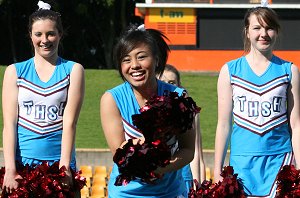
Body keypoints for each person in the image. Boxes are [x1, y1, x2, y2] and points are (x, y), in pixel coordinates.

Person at [100, 24, 195, 197]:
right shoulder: (111, 99)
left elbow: (188, 150)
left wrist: (163, 168)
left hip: (170, 192)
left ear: (157, 59)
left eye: (142, 57)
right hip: (125, 193)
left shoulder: (177, 96)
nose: (134, 65)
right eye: (126, 60)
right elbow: (119, 153)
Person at [214, 5, 300, 197]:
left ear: (276, 31)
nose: (264, 34)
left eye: (269, 28)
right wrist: (217, 168)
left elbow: (296, 124)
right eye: (257, 28)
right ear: (247, 32)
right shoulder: (230, 70)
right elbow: (223, 124)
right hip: (241, 162)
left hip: (280, 160)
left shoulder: (289, 70)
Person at [1, 1, 85, 194]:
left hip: (59, 164)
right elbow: (9, 125)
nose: (44, 39)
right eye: (38, 34)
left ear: (60, 35)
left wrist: (64, 168)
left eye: (51, 33)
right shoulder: (15, 71)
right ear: (30, 36)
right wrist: (10, 168)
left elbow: (70, 123)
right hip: (23, 167)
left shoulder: (73, 70)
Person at [157, 64, 206, 190]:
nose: (167, 86)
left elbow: (197, 153)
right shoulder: (146, 112)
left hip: (183, 178)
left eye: (172, 82)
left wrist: (199, 186)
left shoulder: (189, 111)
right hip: (156, 177)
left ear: (179, 86)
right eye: (162, 82)